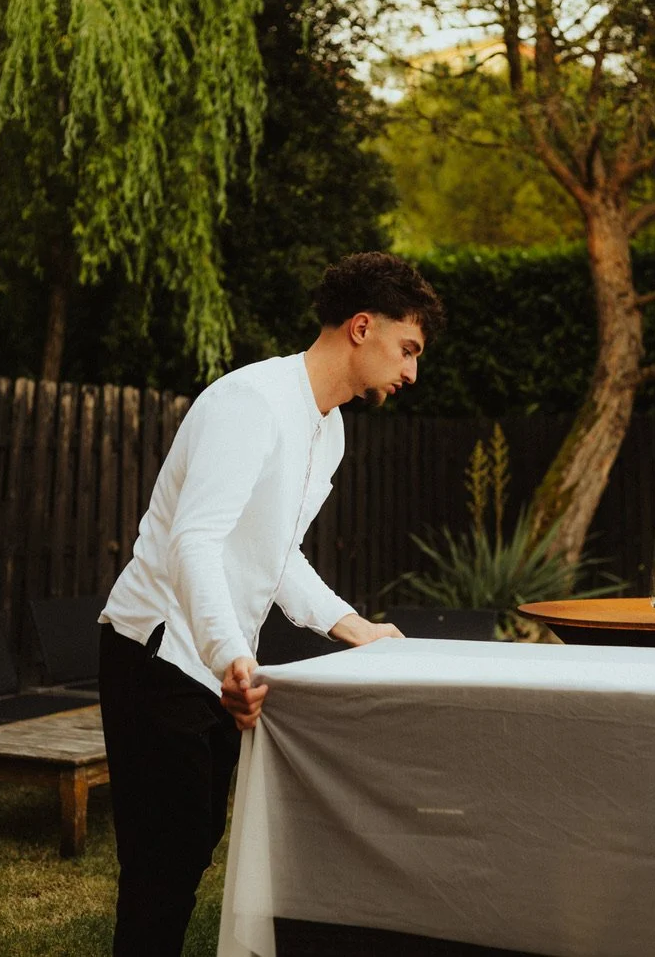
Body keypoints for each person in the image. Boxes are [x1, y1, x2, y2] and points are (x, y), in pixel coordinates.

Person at [98, 250, 446, 956]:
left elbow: (277, 554)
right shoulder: (251, 403)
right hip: (156, 651)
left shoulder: (329, 429)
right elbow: (194, 540)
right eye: (408, 349)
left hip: (215, 667)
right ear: (361, 327)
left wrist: (355, 627)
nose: (412, 372)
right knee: (162, 864)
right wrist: (231, 654)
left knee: (191, 848)